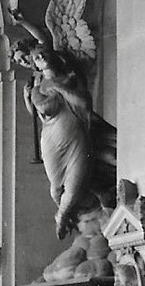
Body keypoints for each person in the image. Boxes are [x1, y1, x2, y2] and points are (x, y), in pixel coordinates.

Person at [9, 13, 116, 241]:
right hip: (51, 139)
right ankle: (81, 219)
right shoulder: (36, 84)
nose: (26, 61)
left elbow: (43, 39)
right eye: (20, 62)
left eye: (25, 56)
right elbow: (39, 115)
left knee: (76, 184)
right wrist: (28, 99)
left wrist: (23, 22)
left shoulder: (60, 71)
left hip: (74, 134)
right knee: (56, 190)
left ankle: (64, 217)